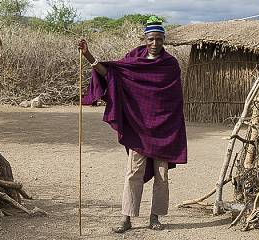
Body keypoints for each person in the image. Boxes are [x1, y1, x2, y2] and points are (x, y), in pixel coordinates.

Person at [77, 16, 187, 233]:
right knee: (133, 173)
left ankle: (155, 217)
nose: (155, 43)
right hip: (139, 128)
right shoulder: (133, 60)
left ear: (164, 39)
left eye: (159, 39)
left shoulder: (170, 64)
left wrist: (172, 127)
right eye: (151, 39)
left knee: (162, 175)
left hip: (164, 129)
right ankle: (126, 218)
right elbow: (110, 74)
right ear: (144, 39)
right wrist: (88, 55)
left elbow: (174, 101)